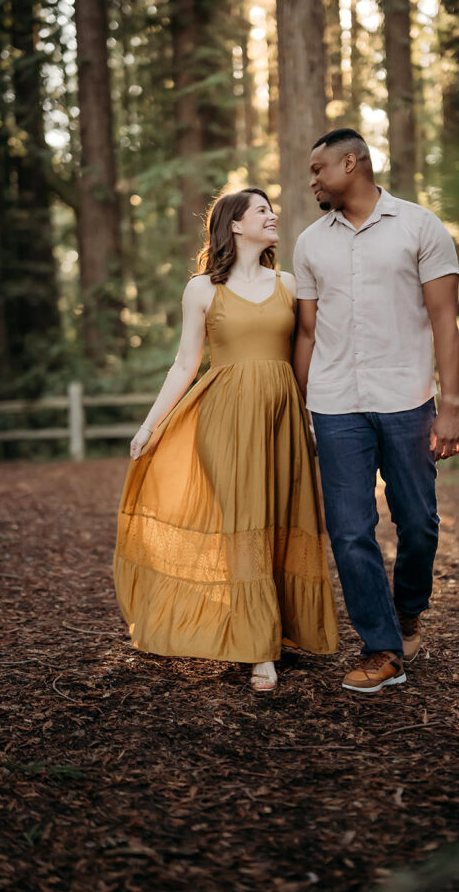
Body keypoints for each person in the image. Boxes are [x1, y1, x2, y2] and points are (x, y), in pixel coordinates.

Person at [114, 187, 338, 693]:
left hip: (283, 417)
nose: (272, 215)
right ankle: (258, 650)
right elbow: (184, 364)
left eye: (271, 209)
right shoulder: (202, 289)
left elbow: (310, 351)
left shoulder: (290, 282)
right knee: (245, 522)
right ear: (234, 224)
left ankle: (279, 631)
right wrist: (150, 424)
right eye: (261, 210)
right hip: (225, 419)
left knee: (282, 519)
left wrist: (311, 416)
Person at [293, 129, 459, 694]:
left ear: (351, 162)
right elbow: (309, 332)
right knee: (349, 531)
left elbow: (444, 320)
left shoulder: (421, 226)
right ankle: (382, 649)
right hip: (336, 404)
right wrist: (303, 408)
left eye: (319, 169)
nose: (312, 179)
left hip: (407, 400)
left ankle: (409, 610)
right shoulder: (311, 242)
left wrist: (451, 406)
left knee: (418, 521)